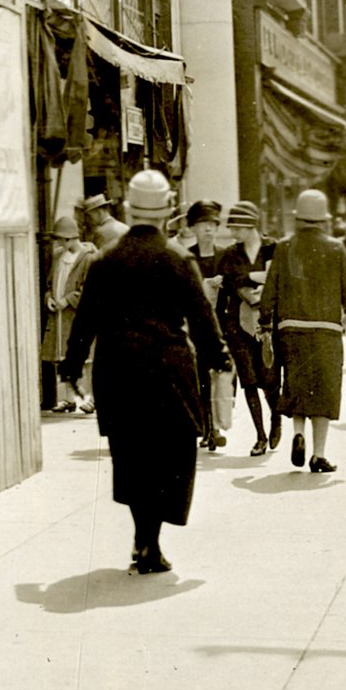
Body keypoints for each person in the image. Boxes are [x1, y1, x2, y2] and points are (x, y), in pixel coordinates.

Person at [60, 169, 230, 575]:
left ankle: (143, 537)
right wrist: (220, 356)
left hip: (117, 371)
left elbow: (85, 321)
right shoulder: (178, 259)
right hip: (169, 370)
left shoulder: (105, 260)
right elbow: (201, 317)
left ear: (129, 209)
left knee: (132, 456)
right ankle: (151, 541)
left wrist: (72, 367)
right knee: (171, 456)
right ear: (168, 210)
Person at [265, 188, 346, 473]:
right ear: (323, 220)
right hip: (326, 330)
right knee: (324, 392)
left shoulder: (284, 246)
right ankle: (318, 454)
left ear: (298, 217)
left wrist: (264, 321)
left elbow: (271, 287)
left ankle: (298, 434)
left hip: (291, 329)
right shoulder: (336, 247)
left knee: (296, 384)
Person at [210, 202, 278, 455]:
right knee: (248, 380)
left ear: (250, 226)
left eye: (236, 228)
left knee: (269, 380)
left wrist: (244, 279)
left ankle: (276, 420)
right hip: (237, 323)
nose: (232, 233)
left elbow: (276, 279)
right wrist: (254, 278)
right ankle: (260, 436)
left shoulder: (272, 247)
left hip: (268, 321)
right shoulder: (230, 253)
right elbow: (228, 282)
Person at [43, 196, 109, 412]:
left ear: (71, 239)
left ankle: (91, 398)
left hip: (78, 316)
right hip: (59, 316)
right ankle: (69, 399)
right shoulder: (58, 257)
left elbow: (89, 289)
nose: (60, 244)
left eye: (63, 240)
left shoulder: (88, 257)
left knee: (86, 358)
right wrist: (49, 298)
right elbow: (49, 282)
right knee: (62, 358)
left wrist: (67, 300)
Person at [179, 201, 232, 449]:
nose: (208, 229)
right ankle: (210, 428)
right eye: (202, 225)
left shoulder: (225, 255)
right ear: (193, 228)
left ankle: (217, 424)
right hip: (196, 327)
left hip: (223, 323)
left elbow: (236, 284)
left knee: (222, 377)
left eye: (212, 224)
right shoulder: (187, 257)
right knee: (201, 376)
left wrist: (225, 282)